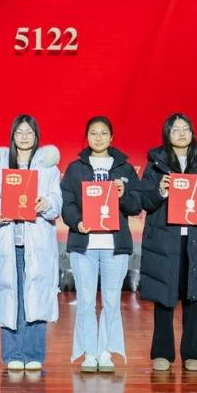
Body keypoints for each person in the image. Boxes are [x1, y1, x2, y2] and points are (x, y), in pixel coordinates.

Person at [139, 113, 197, 372]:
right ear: (167, 134)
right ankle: (162, 353)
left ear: (192, 133)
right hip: (165, 241)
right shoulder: (155, 164)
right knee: (164, 298)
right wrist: (160, 191)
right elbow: (143, 200)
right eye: (176, 129)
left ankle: (192, 354)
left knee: (193, 298)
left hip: (195, 240)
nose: (182, 133)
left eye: (186, 128)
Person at [60, 116, 142, 373]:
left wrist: (123, 195)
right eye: (93, 133)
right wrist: (78, 222)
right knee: (85, 301)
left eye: (104, 133)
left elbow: (136, 205)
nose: (98, 137)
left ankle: (106, 352)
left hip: (114, 245)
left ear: (112, 137)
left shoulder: (125, 169)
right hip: (84, 244)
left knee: (111, 301)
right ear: (87, 137)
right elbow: (67, 203)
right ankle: (88, 352)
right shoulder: (75, 169)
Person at [0, 115, 62, 372]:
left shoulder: (48, 168)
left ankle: (34, 354)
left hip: (37, 243)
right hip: (9, 242)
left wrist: (47, 203)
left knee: (35, 297)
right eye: (19, 132)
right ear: (12, 136)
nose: (24, 136)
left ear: (36, 136)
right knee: (11, 296)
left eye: (29, 132)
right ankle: (13, 354)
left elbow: (57, 202)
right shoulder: (0, 167)